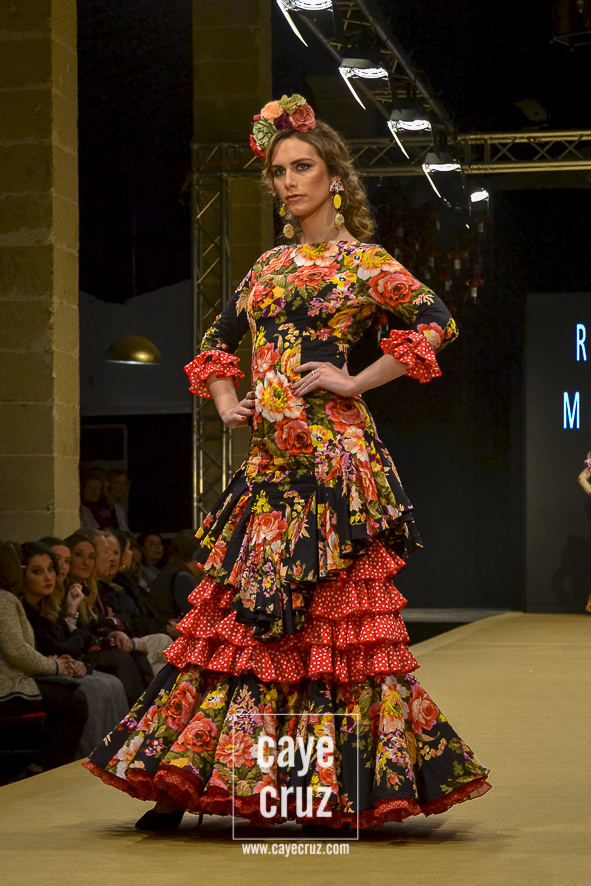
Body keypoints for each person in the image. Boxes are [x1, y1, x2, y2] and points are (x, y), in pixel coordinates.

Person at [85, 96, 490, 830]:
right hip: (270, 466)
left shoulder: (363, 263)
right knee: (235, 617)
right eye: (278, 171)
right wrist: (225, 401)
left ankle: (332, 788)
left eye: (302, 167)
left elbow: (437, 322)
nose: (288, 181)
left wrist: (355, 380)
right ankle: (188, 780)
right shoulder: (268, 265)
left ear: (335, 176)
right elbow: (215, 342)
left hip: (334, 465)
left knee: (335, 629)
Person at [18, 542, 129, 758]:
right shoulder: (22, 607)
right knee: (97, 689)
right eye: (38, 572)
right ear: (22, 574)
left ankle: (119, 756)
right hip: (40, 673)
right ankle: (93, 761)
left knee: (113, 684)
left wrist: (81, 662)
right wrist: (68, 655)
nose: (49, 576)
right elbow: (56, 647)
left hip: (62, 666)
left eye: (51, 569)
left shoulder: (49, 604)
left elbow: (75, 642)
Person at [0, 541, 88, 772]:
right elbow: (18, 652)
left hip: (14, 680)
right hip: (7, 688)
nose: (48, 576)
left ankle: (43, 766)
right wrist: (56, 666)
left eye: (51, 569)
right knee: (74, 701)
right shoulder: (4, 600)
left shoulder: (10, 600)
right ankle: (54, 773)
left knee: (74, 693)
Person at [63, 532, 150, 705]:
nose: (86, 562)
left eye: (91, 557)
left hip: (87, 648)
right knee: (121, 656)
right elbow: (75, 633)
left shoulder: (88, 589)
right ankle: (141, 713)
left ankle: (151, 710)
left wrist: (112, 634)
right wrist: (110, 638)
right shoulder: (65, 591)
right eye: (78, 555)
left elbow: (96, 624)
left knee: (135, 652)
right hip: (75, 654)